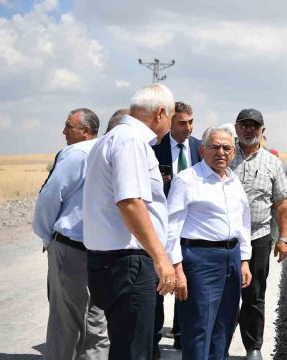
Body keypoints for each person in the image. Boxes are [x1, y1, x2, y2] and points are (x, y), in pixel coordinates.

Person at [83, 83, 177, 360]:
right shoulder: (131, 142)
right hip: (129, 263)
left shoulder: (111, 139)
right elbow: (130, 202)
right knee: (134, 351)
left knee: (127, 347)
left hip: (112, 261)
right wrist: (161, 257)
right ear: (160, 113)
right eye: (171, 118)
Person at [167, 126, 252, 360]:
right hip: (200, 259)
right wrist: (176, 268)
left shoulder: (234, 181)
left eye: (226, 148)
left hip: (232, 258)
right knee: (199, 328)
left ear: (234, 152)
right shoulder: (187, 180)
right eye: (214, 147)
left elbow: (243, 222)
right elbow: (171, 227)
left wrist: (244, 260)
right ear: (202, 150)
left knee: (225, 325)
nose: (221, 152)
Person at [32, 108, 109, 359]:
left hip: (71, 248)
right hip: (103, 249)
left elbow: (50, 197)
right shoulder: (107, 150)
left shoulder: (75, 154)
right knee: (97, 322)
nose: (63, 131)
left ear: (86, 131)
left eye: (69, 126)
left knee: (64, 321)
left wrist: (46, 236)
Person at [231, 108, 287, 360]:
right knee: (224, 293)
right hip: (225, 240)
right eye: (244, 125)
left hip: (258, 238)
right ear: (236, 128)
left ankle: (253, 347)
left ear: (262, 131)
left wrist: (284, 237)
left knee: (254, 293)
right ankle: (218, 341)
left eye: (254, 126)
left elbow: (281, 203)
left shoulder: (273, 163)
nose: (249, 129)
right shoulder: (224, 155)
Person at [151, 101, 202, 353]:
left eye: (191, 122)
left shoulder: (199, 148)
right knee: (159, 282)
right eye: (182, 123)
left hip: (190, 227)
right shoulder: (154, 149)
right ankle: (153, 337)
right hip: (160, 227)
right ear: (170, 121)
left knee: (186, 281)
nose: (189, 128)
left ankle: (182, 333)